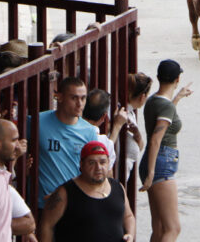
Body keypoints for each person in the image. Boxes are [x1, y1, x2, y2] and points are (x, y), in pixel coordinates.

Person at [39, 141, 135, 242]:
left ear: (108, 163)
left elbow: (128, 216)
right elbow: (47, 225)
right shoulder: (65, 193)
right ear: (82, 164)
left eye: (102, 162)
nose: (98, 167)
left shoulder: (118, 187)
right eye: (92, 163)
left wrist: (130, 234)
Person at [139, 60, 193, 242]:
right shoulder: (166, 106)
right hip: (161, 163)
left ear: (158, 77)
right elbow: (156, 139)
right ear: (177, 79)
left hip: (152, 160)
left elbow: (165, 117)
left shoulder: (153, 101)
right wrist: (151, 173)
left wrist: (177, 98)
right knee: (173, 228)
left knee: (160, 228)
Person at [37, 77, 97, 211]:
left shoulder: (89, 132)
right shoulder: (37, 122)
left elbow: (93, 171)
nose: (79, 104)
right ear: (59, 97)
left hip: (74, 205)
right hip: (43, 205)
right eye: (74, 98)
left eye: (83, 98)